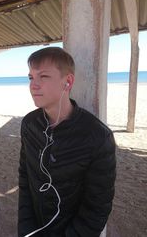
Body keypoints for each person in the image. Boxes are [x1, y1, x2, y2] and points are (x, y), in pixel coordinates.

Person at [18, 47, 116, 237]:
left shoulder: (97, 136)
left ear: (67, 82)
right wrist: (26, 230)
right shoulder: (30, 124)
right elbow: (25, 180)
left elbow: (97, 208)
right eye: (31, 77)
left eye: (43, 76)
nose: (33, 85)